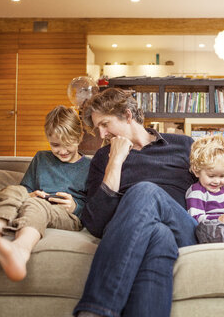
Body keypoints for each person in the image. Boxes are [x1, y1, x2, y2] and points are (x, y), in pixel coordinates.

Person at [74, 88, 198, 317]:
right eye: (97, 128)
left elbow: (215, 183)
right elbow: (95, 223)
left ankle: (95, 311)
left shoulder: (183, 145)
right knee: (159, 236)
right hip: (143, 234)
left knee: (145, 191)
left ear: (128, 115)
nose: (101, 135)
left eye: (105, 124)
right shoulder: (103, 158)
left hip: (183, 227)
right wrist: (116, 160)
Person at [0, 105, 91, 290]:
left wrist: (75, 206)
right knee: (13, 191)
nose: (62, 151)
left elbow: (94, 206)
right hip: (36, 201)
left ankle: (20, 250)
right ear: (48, 138)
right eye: (55, 145)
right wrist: (30, 193)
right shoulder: (41, 158)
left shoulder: (89, 166)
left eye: (68, 144)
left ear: (80, 137)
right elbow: (25, 188)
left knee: (35, 205)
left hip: (67, 215)